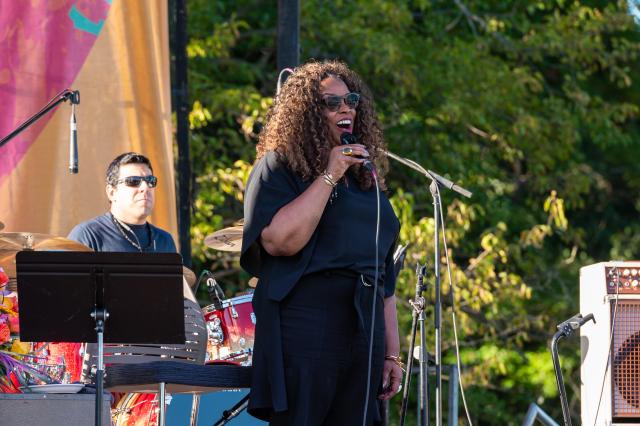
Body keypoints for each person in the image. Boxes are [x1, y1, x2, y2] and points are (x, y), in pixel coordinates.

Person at [241, 60, 403, 426]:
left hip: (364, 325)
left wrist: (392, 354)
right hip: (307, 322)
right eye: (332, 103)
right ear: (307, 115)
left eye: (351, 100)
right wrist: (330, 174)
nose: (346, 109)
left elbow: (385, 277)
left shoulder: (365, 182)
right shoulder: (280, 167)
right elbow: (279, 241)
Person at [68, 152, 176, 253]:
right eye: (133, 181)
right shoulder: (88, 236)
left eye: (150, 181)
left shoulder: (165, 241)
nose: (145, 187)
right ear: (112, 193)